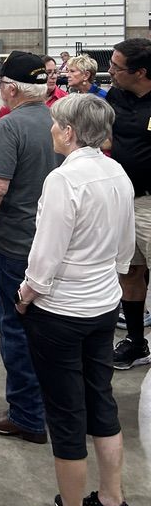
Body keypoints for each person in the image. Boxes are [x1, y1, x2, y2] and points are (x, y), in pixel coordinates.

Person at [16, 95, 136, 506]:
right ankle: (112, 503)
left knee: (66, 416)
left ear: (69, 132)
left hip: (61, 311)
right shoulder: (118, 174)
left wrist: (27, 294)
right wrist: (109, 278)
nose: (51, 131)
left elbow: (46, 254)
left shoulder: (63, 179)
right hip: (104, 305)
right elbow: (125, 248)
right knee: (100, 399)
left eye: (55, 125)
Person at [0, 51, 59, 444]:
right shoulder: (60, 121)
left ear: (8, 88)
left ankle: (26, 415)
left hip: (16, 244)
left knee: (15, 328)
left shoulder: (10, 127)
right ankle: (52, 405)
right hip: (52, 244)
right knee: (49, 329)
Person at [106, 38, 151, 369]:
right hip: (125, 201)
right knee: (131, 270)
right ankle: (136, 342)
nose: (110, 72)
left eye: (117, 67)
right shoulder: (116, 95)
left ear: (141, 73)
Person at [0, 55, 66, 121]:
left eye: (55, 72)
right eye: (48, 72)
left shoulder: (65, 99)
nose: (54, 76)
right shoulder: (13, 101)